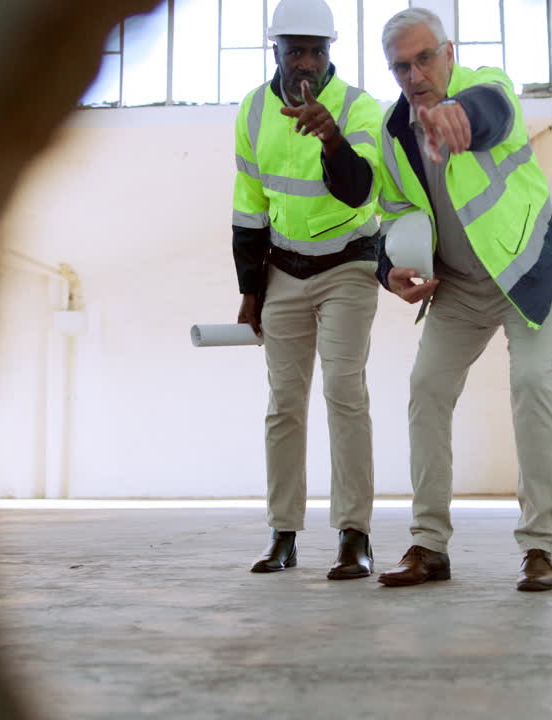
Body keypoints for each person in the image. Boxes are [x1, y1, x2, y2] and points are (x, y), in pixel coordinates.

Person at [372, 8, 552, 591]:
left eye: (424, 58)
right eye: (400, 67)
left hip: (525, 272)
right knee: (426, 389)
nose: (414, 75)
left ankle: (538, 547)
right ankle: (428, 545)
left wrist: (460, 117)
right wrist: (391, 270)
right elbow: (393, 215)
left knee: (533, 383)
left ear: (449, 52)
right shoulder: (393, 133)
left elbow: (493, 112)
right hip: (457, 289)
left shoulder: (487, 86)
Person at [231, 0, 384, 579]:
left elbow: (358, 191)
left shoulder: (358, 107)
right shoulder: (251, 111)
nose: (307, 62)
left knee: (345, 393)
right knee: (283, 407)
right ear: (276, 51)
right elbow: (249, 207)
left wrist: (333, 140)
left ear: (330, 54)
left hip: (348, 265)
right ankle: (283, 534)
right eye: (295, 49)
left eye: (317, 51)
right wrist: (251, 289)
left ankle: (354, 536)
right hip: (282, 272)